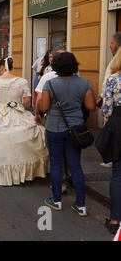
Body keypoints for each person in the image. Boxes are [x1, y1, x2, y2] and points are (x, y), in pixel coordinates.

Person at [40, 52, 96, 216]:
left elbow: (43, 108)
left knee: (56, 164)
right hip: (75, 130)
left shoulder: (49, 84)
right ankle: (81, 205)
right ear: (74, 65)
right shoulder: (84, 83)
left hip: (54, 129)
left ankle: (56, 200)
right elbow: (91, 107)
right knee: (75, 166)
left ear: (55, 67)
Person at [0, 58, 49, 186]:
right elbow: (27, 101)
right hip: (16, 111)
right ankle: (24, 170)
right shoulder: (21, 81)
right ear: (12, 67)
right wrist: (18, 104)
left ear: (1, 67)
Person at [100, 47, 121, 234]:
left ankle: (115, 220)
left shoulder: (113, 79)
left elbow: (106, 108)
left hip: (119, 126)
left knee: (118, 173)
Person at [97, 32, 121, 169]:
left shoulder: (114, 76)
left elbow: (108, 106)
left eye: (111, 43)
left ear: (118, 44)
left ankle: (113, 158)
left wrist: (107, 118)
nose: (109, 45)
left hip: (116, 114)